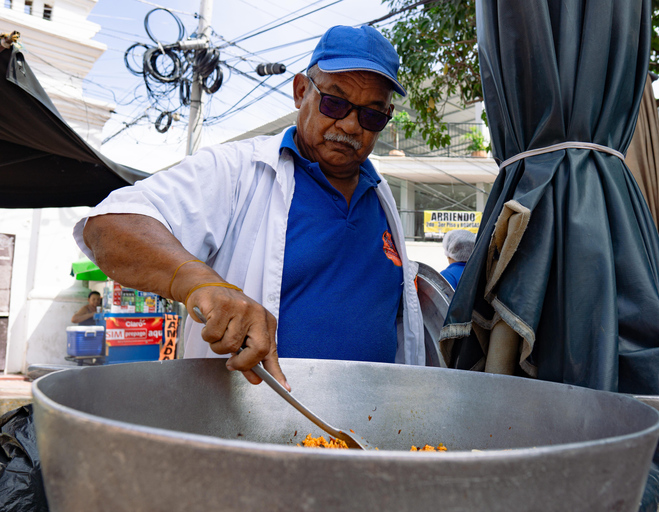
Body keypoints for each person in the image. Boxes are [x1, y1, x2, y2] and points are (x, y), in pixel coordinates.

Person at [73, 25, 424, 389]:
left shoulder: (381, 195)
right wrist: (201, 284)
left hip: (367, 434)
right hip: (251, 429)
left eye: (372, 115)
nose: (351, 125)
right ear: (301, 91)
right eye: (335, 103)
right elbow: (107, 226)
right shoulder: (237, 170)